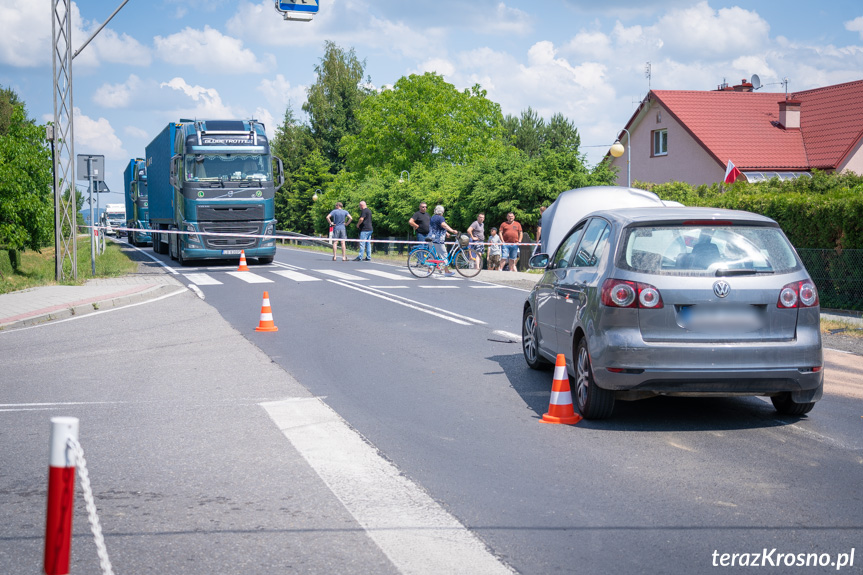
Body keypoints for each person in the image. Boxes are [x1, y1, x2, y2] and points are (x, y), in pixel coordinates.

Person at [429, 205, 458, 276]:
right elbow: (443, 225)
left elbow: (438, 227)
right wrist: (452, 230)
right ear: (442, 211)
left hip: (431, 238)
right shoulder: (440, 218)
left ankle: (429, 271)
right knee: (444, 254)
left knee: (432, 255)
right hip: (438, 240)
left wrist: (446, 233)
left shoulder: (433, 217)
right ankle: (447, 271)